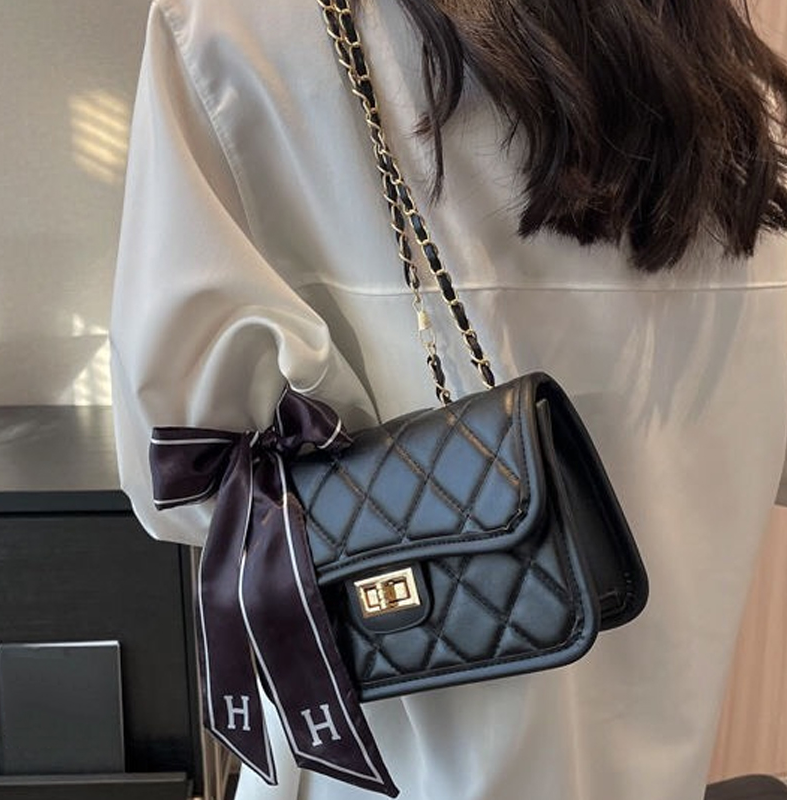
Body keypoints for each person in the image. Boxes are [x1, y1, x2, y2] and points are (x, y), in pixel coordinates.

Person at [110, 1, 787, 798]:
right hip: (657, 760)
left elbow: (178, 483)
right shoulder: (747, 69)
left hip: (383, 763)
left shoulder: (238, 25)